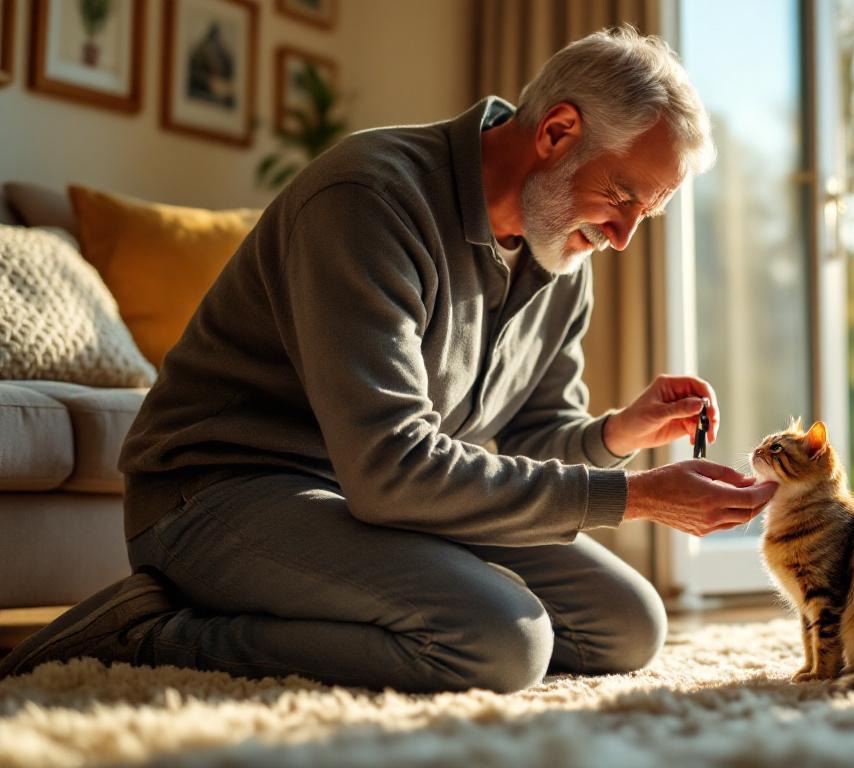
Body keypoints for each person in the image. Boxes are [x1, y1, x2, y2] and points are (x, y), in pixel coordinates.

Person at [0, 26, 777, 693]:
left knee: (628, 626)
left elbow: (529, 440)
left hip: (386, 504)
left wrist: (615, 437)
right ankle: (156, 631)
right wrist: (634, 498)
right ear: (557, 132)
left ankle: (341, 597)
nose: (624, 235)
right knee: (500, 642)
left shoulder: (562, 257)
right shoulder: (368, 199)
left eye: (650, 211)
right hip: (224, 492)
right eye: (623, 196)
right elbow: (392, 468)